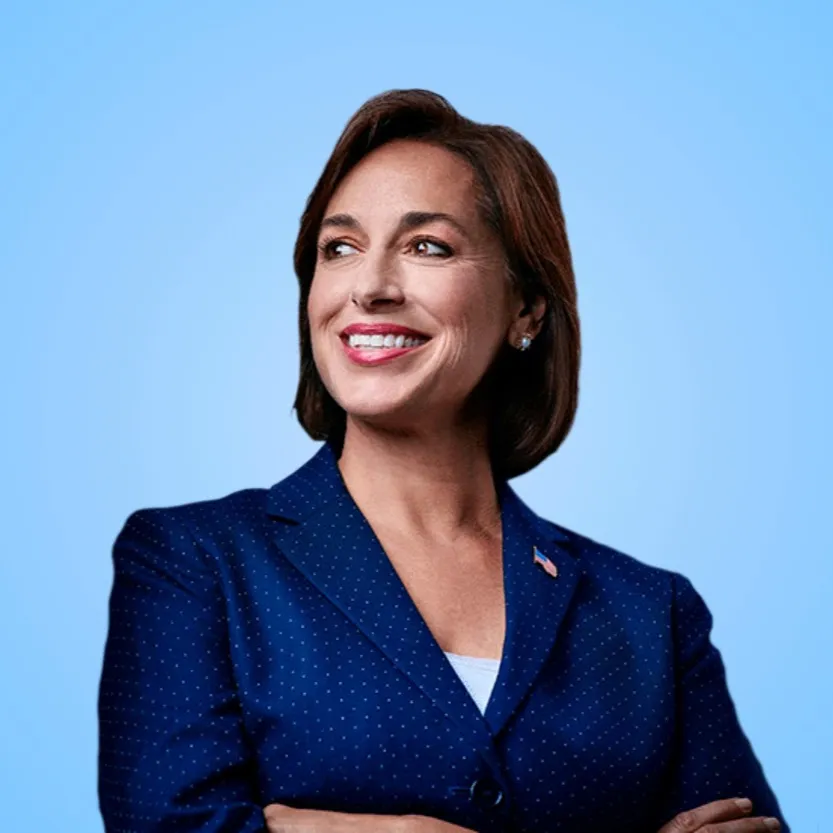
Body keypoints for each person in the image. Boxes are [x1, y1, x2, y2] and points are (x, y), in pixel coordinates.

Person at [97, 89, 789, 833]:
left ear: (526, 309)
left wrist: (310, 825)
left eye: (427, 246)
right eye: (340, 248)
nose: (369, 286)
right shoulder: (192, 563)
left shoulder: (651, 614)